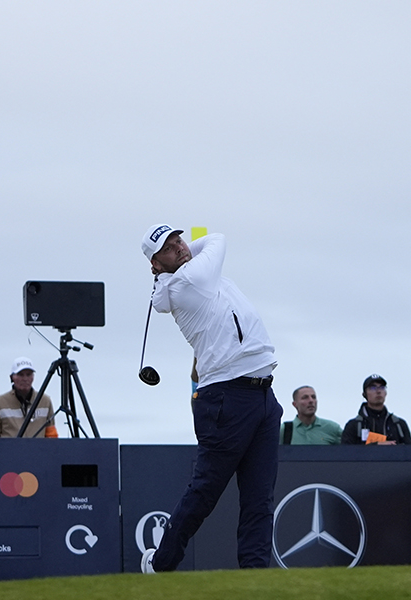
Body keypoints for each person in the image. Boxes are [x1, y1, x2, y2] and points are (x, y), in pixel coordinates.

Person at [139, 224, 282, 573]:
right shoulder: (189, 281)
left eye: (180, 241)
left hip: (262, 393)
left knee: (259, 499)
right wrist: (189, 250)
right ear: (156, 264)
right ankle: (161, 563)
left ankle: (255, 576)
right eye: (170, 249)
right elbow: (218, 238)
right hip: (227, 398)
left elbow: (203, 248)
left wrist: (176, 252)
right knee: (204, 492)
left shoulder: (195, 275)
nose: (182, 248)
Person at [0, 357, 58, 438]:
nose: (25, 379)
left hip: (38, 450)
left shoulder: (45, 401)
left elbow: (51, 436)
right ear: (12, 377)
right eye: (20, 375)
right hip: (10, 450)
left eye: (28, 375)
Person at [341, 374, 411, 445]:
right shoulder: (354, 425)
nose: (378, 391)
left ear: (386, 393)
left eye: (382, 387)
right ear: (364, 394)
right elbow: (345, 454)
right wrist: (376, 446)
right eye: (373, 388)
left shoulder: (398, 424)